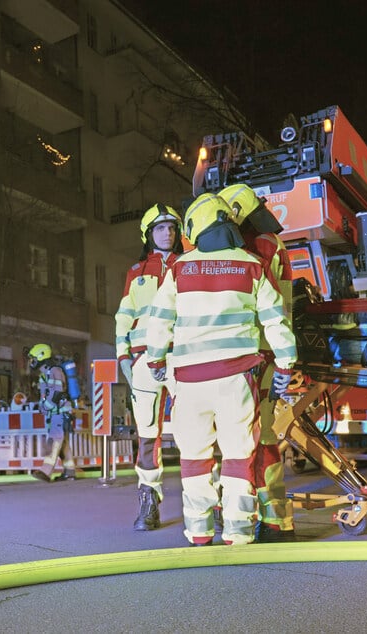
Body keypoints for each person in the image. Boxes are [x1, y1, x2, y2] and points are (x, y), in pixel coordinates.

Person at [144, 193, 297, 546]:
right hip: (238, 378)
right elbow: (277, 321)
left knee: (195, 458)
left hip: (190, 382)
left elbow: (159, 322)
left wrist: (155, 361)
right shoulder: (253, 263)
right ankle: (239, 532)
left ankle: (199, 532)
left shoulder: (179, 268)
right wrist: (287, 365)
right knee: (239, 456)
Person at [219, 183, 297, 542]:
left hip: (257, 354)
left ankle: (272, 522)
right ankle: (270, 518)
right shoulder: (272, 243)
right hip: (267, 352)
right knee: (255, 437)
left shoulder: (257, 248)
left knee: (256, 438)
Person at [114, 203, 184, 531]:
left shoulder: (190, 264)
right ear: (148, 234)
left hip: (182, 356)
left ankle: (211, 502)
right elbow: (124, 315)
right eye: (160, 228)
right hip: (143, 360)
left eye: (172, 227)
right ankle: (149, 500)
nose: (167, 233)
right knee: (146, 435)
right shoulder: (136, 271)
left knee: (199, 431)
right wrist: (123, 357)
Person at [26, 343, 76, 483]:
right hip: (56, 412)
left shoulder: (54, 371)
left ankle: (45, 471)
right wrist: (43, 406)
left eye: (33, 358)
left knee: (54, 440)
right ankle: (70, 471)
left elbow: (57, 392)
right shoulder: (45, 374)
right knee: (63, 443)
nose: (31, 362)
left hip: (59, 412)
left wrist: (46, 407)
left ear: (41, 356)